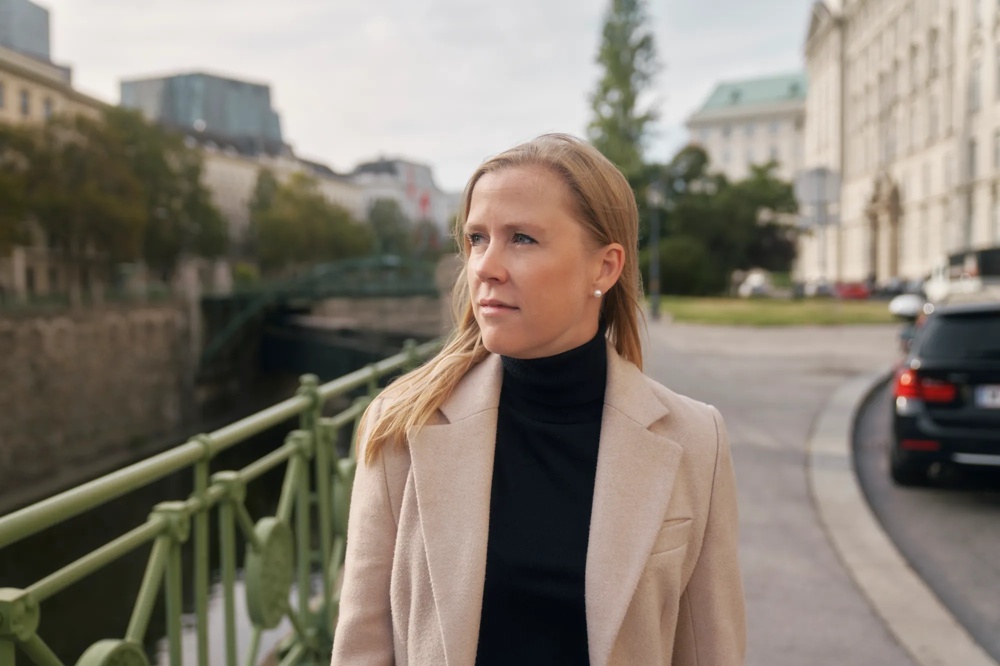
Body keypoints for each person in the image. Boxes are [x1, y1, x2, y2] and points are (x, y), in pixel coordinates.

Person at [330, 133, 745, 665]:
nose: (485, 265)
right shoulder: (404, 426)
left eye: (521, 238)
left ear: (605, 267)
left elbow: (712, 651)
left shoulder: (695, 440)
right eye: (477, 238)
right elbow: (362, 650)